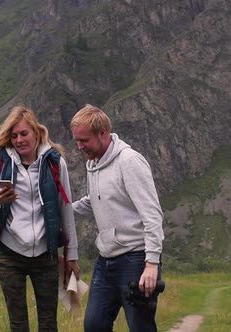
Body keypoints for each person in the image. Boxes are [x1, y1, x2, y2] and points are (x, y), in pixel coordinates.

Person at [0, 105, 80, 332]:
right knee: (18, 324)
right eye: (13, 136)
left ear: (36, 132)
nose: (19, 140)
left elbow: (66, 209)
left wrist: (72, 255)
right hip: (10, 254)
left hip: (46, 254)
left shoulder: (55, 163)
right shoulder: (1, 164)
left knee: (48, 323)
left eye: (23, 134)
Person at [70, 104, 164, 332]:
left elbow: (152, 215)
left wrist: (151, 264)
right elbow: (94, 200)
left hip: (136, 260)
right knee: (94, 325)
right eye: (77, 141)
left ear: (102, 133)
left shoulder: (130, 162)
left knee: (140, 327)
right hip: (106, 260)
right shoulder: (93, 162)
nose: (80, 147)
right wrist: (61, 211)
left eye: (84, 140)